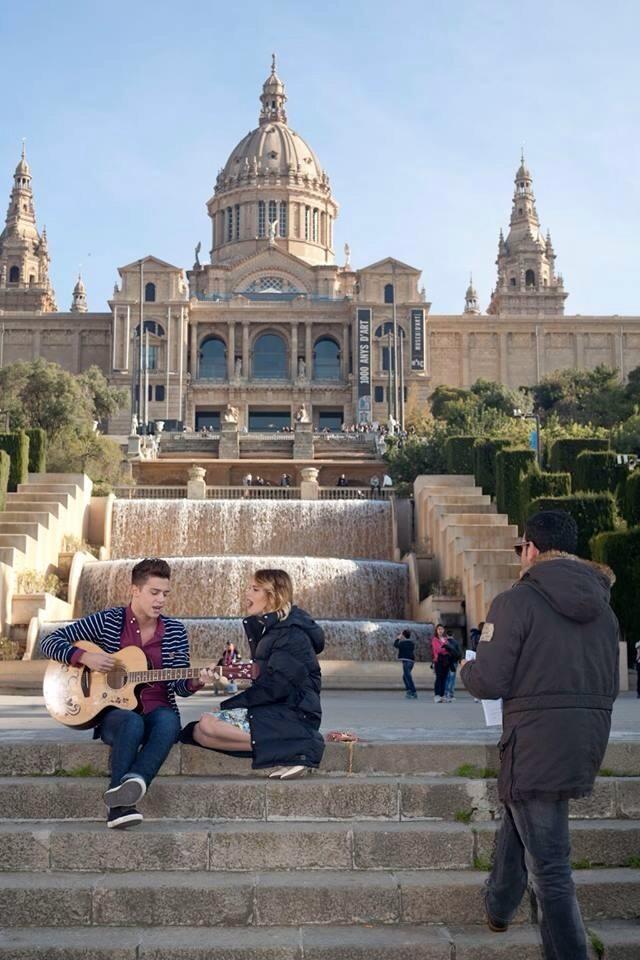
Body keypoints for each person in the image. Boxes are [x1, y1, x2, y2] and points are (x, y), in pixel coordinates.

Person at [460, 510, 619, 960]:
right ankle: (499, 906)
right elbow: (611, 682)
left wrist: (467, 669)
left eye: (520, 548)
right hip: (585, 740)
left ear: (530, 548)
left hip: (533, 742)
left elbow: (490, 680)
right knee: (522, 811)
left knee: (551, 871)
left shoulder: (517, 602)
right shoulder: (604, 607)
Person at [40, 558, 210, 829]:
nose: (161, 600)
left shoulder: (175, 631)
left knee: (169, 722)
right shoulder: (109, 620)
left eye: (165, 594)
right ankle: (121, 804)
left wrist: (197, 681)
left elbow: (179, 687)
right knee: (131, 722)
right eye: (154, 592)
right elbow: (48, 641)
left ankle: (132, 785)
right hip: (114, 713)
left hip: (158, 711)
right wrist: (84, 657)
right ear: (135, 590)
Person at [182, 569, 325, 780]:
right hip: (276, 708)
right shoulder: (270, 630)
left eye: (255, 589)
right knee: (198, 733)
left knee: (208, 723)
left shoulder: (290, 634)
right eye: (248, 587)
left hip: (295, 713)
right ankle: (286, 749)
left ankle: (300, 746)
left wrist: (229, 704)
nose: (247, 593)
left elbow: (277, 687)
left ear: (274, 596)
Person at [394, 628, 417, 699]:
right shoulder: (412, 643)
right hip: (411, 661)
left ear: (403, 636)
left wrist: (398, 638)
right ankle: (409, 690)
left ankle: (413, 692)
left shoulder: (402, 643)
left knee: (408, 676)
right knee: (405, 676)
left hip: (406, 661)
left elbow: (395, 645)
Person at [431, 623, 449, 703]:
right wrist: (445, 648)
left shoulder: (445, 639)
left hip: (446, 660)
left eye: (441, 629)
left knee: (444, 678)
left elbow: (449, 649)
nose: (440, 631)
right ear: (436, 630)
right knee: (439, 678)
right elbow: (438, 650)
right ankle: (437, 695)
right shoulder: (435, 639)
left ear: (444, 630)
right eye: (439, 629)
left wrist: (445, 648)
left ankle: (442, 695)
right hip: (438, 661)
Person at [443, 633, 462, 702]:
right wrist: (460, 660)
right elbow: (459, 653)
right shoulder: (456, 642)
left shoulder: (445, 642)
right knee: (452, 679)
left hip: (446, 662)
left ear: (447, 635)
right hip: (454, 662)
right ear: (453, 635)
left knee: (446, 678)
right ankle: (450, 694)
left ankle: (445, 693)